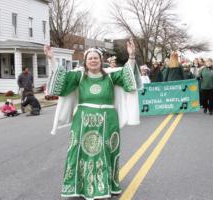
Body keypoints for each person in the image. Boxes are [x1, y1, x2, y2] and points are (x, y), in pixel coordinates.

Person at [45, 39, 141, 199]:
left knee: (106, 151)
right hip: (82, 122)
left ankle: (104, 186)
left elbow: (128, 77)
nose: (93, 60)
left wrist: (131, 57)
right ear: (85, 61)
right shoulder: (79, 76)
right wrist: (52, 59)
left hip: (108, 121)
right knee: (79, 152)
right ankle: (78, 186)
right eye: (90, 58)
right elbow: (62, 80)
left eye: (96, 58)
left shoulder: (110, 76)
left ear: (101, 60)